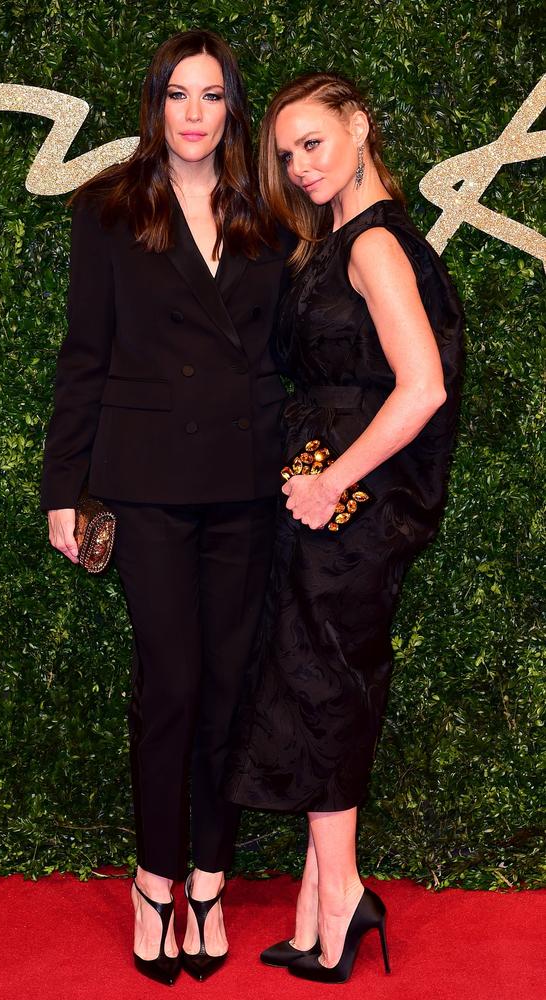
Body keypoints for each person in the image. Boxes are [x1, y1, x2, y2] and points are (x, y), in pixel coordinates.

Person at [40, 30, 290, 986]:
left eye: (212, 95)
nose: (194, 113)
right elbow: (84, 357)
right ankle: (155, 884)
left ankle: (212, 879)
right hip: (145, 483)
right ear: (155, 104)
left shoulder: (267, 214)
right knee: (173, 685)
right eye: (178, 94)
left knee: (229, 687)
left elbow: (284, 353)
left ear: (233, 107)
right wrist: (64, 487)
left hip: (244, 480)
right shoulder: (109, 210)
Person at [225, 72, 464, 984]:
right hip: (323, 509)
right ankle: (323, 898)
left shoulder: (374, 246)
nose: (298, 166)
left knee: (326, 692)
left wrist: (333, 480)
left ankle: (341, 896)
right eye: (286, 155)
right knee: (312, 687)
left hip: (353, 512)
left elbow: (424, 388)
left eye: (313, 143)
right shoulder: (333, 242)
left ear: (359, 127)